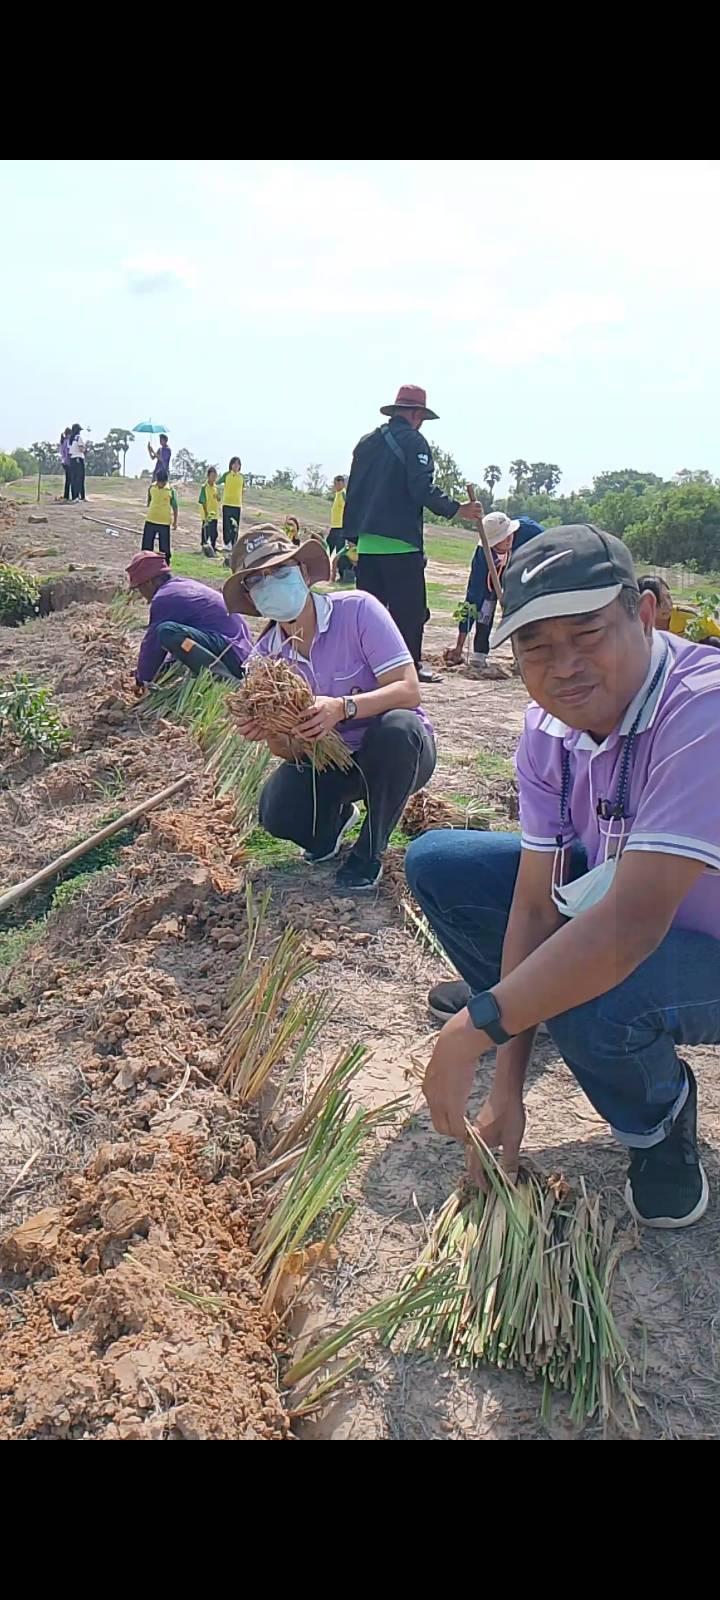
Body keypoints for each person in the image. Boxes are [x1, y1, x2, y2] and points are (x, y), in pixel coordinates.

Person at [407, 524, 720, 1230]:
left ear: (645, 613)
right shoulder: (548, 729)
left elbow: (632, 925)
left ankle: (658, 1123)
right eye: (535, 646)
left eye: (587, 633)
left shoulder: (703, 708)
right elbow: (533, 905)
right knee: (441, 866)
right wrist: (506, 1090)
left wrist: (471, 1030)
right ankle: (533, 1004)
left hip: (699, 941)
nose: (564, 666)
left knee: (595, 991)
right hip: (622, 909)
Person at [224, 526, 437, 891]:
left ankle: (369, 851)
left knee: (398, 728)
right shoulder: (264, 660)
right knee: (277, 812)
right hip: (332, 761)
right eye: (257, 580)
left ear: (304, 573)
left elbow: (408, 690)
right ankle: (332, 826)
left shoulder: (357, 611)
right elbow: (287, 752)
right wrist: (274, 731)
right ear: (252, 597)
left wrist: (343, 708)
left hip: (398, 754)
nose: (270, 583)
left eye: (280, 570)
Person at [343, 384, 483, 682]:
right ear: (417, 414)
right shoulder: (414, 442)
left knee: (370, 612)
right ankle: (411, 668)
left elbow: (353, 492)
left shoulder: (366, 443)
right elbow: (422, 489)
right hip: (401, 544)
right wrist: (458, 509)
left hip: (367, 544)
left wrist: (351, 537)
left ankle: (368, 666)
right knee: (410, 612)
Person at [127, 550, 251, 684]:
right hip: (238, 650)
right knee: (176, 643)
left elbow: (152, 644)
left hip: (232, 654)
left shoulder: (165, 598)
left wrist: (142, 680)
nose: (141, 595)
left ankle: (226, 681)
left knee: (167, 631)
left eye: (139, 588)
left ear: (149, 582)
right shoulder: (181, 586)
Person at [446, 512, 544, 666]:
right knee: (484, 604)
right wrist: (459, 645)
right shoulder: (483, 555)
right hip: (494, 575)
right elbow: (472, 597)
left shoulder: (531, 531)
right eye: (502, 538)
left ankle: (525, 655)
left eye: (509, 534)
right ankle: (479, 652)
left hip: (524, 575)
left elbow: (550, 546)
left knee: (522, 611)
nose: (508, 539)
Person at [638, 575, 720, 646]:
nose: (667, 604)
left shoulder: (689, 618)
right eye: (660, 601)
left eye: (668, 597)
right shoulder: (635, 623)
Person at [141, 467, 178, 563]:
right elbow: (149, 501)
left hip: (164, 523)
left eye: (162, 482)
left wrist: (175, 522)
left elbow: (175, 507)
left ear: (165, 481)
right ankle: (145, 565)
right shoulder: (152, 487)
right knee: (146, 547)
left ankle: (165, 566)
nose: (160, 484)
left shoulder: (170, 490)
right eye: (159, 482)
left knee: (165, 549)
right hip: (150, 520)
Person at [219, 456, 244, 562]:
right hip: (227, 503)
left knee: (235, 526)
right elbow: (217, 483)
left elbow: (243, 489)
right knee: (226, 524)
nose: (236, 466)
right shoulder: (226, 475)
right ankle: (226, 543)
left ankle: (234, 544)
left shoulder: (242, 477)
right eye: (234, 464)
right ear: (231, 465)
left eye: (238, 464)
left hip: (237, 504)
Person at [199, 466, 220, 555]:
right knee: (206, 531)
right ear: (208, 476)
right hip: (207, 514)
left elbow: (218, 498)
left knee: (214, 533)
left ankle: (213, 547)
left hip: (215, 513)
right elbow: (202, 501)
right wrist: (206, 513)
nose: (213, 478)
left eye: (215, 476)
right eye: (212, 476)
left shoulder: (215, 487)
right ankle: (204, 547)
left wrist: (218, 497)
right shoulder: (204, 487)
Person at [327, 474, 346, 555]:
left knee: (339, 548)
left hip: (340, 526)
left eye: (338, 484)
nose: (336, 486)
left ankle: (339, 566)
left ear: (342, 484)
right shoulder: (337, 494)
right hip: (334, 526)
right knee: (328, 544)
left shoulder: (343, 494)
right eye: (335, 484)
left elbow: (347, 508)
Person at [68, 423, 86, 501]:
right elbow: (81, 449)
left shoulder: (71, 439)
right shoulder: (79, 438)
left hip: (72, 459)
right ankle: (79, 496)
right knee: (80, 478)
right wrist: (85, 448)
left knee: (73, 478)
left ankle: (74, 496)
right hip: (79, 458)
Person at [58, 428, 72, 501]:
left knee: (67, 479)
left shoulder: (63, 441)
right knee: (70, 479)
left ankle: (66, 495)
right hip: (68, 462)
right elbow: (68, 452)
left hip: (64, 462)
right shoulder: (68, 441)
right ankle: (68, 496)